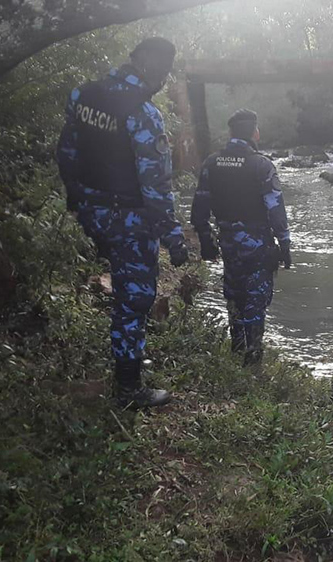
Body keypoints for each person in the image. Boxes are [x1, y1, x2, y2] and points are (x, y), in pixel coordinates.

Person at [57, 38, 188, 409]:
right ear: (149, 67)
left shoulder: (83, 95)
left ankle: (128, 363)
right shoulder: (143, 113)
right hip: (128, 218)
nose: (164, 80)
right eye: (163, 72)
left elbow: (67, 152)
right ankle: (129, 389)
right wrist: (173, 237)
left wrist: (78, 202)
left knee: (123, 287)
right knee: (135, 299)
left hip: (93, 212)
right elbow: (155, 185)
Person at [190, 109, 291, 367]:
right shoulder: (261, 165)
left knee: (234, 295)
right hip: (257, 245)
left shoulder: (212, 163)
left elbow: (200, 207)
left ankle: (236, 348)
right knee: (256, 299)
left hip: (228, 244)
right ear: (254, 133)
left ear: (232, 133)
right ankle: (253, 357)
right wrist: (285, 243)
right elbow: (275, 208)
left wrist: (206, 240)